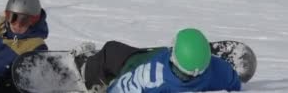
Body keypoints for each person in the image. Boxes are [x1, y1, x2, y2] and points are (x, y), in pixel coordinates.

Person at [94, 28, 241, 92]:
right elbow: (235, 83)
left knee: (112, 50)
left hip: (139, 65)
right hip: (202, 76)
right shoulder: (222, 72)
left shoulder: (152, 77)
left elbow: (122, 88)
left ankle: (84, 67)